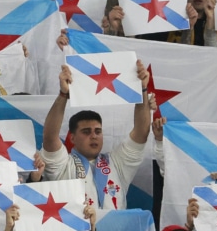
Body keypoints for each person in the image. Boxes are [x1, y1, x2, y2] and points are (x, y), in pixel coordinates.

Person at [39, 62, 152, 210]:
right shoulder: (63, 165)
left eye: (98, 131)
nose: (94, 136)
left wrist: (142, 90)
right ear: (72, 138)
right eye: (86, 132)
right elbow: (49, 137)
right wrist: (63, 95)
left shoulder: (117, 163)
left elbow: (141, 132)